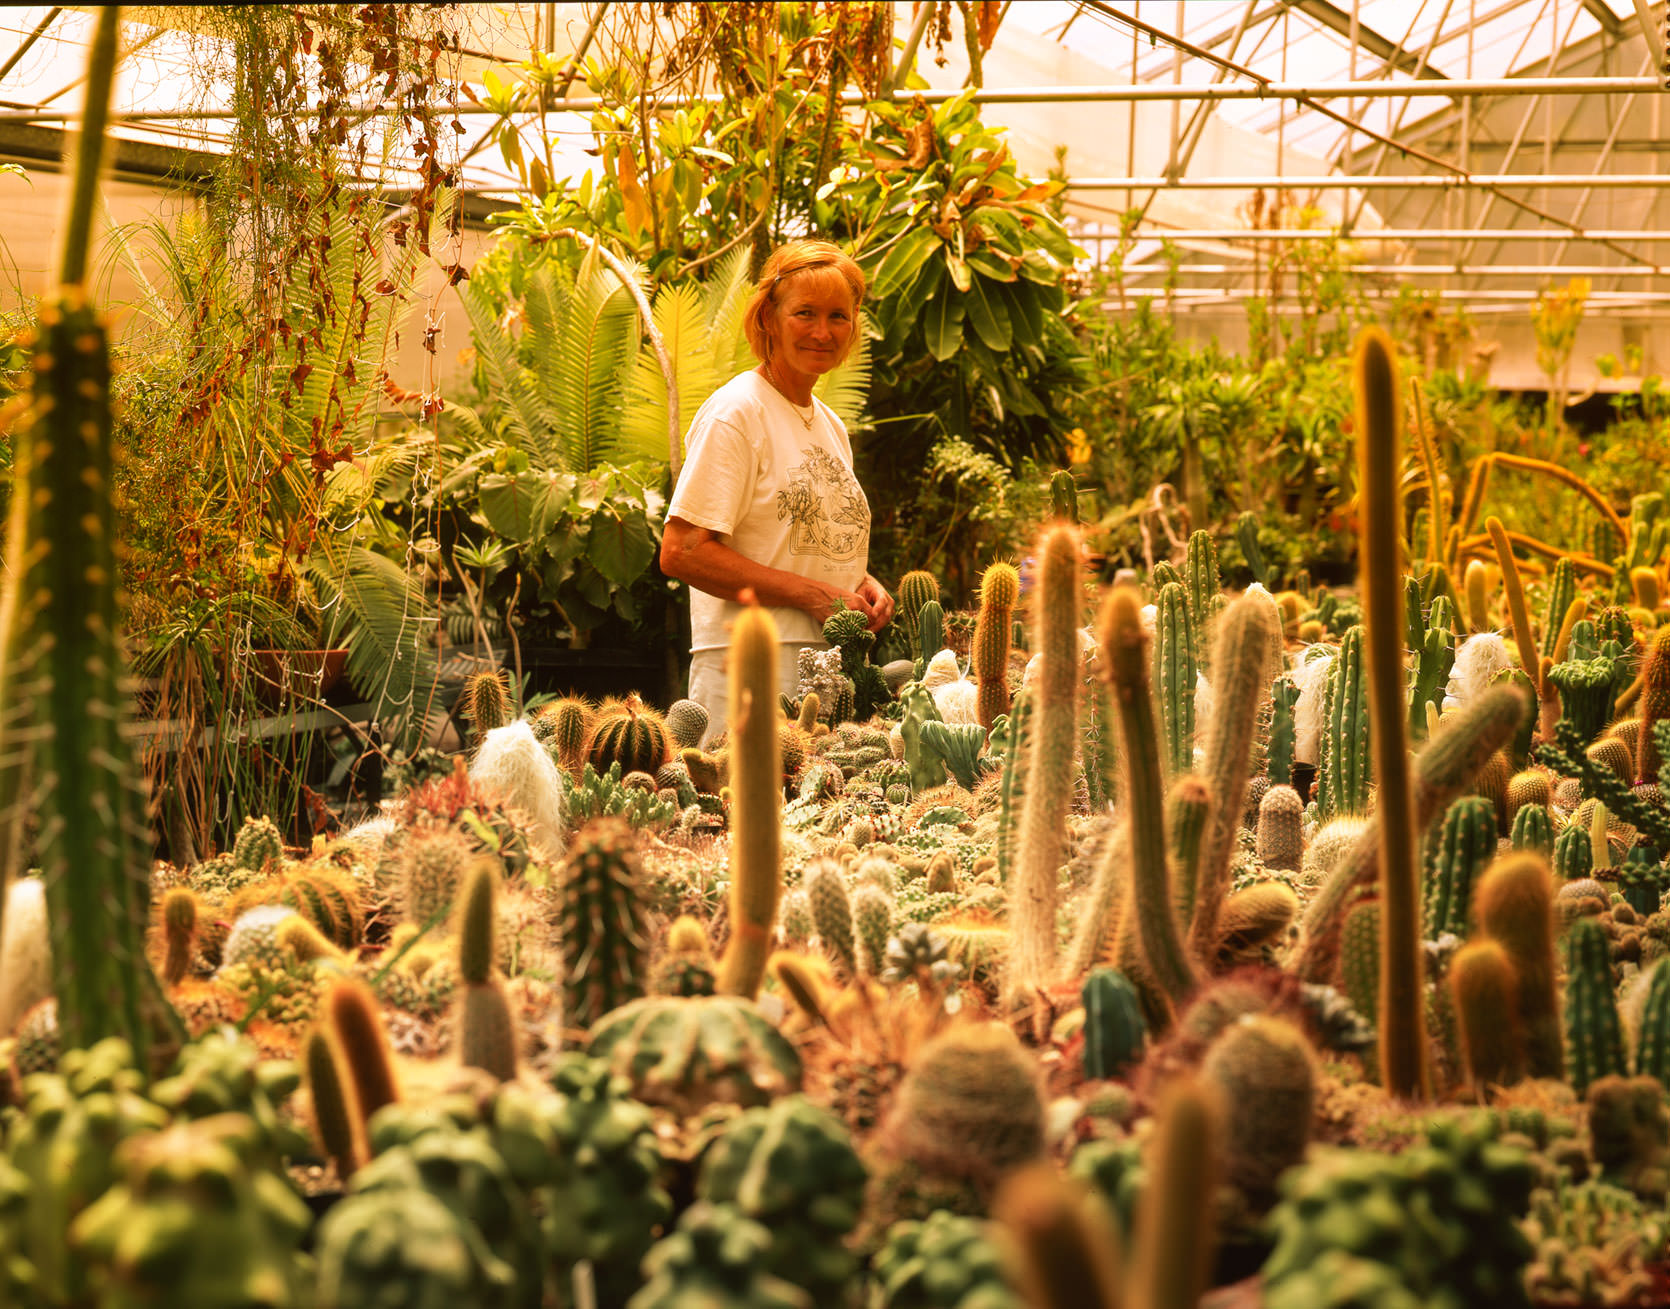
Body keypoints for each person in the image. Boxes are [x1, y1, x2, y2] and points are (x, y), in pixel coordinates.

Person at [660, 238, 894, 743]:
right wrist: (815, 596)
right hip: (750, 672)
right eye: (804, 313)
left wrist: (859, 583)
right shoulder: (737, 413)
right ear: (768, 317)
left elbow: (794, 540)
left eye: (839, 316)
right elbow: (682, 552)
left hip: (830, 675)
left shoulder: (829, 425)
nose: (822, 331)